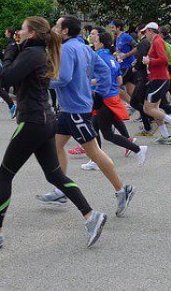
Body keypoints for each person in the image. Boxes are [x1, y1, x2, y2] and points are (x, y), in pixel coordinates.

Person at [0, 16, 106, 250]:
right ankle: (91, 216)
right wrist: (16, 50)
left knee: (4, 175)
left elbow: (6, 79)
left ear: (31, 33)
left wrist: (10, 51)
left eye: (21, 30)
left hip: (33, 122)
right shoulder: (36, 51)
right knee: (54, 176)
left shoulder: (31, 54)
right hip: (45, 121)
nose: (18, 33)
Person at [35, 16, 135, 218]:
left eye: (56, 25)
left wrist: (42, 80)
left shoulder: (69, 49)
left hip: (75, 111)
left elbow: (63, 78)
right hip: (70, 109)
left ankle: (122, 189)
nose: (53, 27)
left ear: (64, 31)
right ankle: (60, 190)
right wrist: (100, 93)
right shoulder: (84, 47)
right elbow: (104, 71)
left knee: (94, 153)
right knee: (57, 146)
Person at [86, 31, 148, 167]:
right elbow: (119, 81)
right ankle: (95, 160)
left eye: (95, 41)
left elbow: (104, 77)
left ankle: (137, 149)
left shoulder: (99, 56)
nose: (93, 44)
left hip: (104, 98)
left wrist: (88, 82)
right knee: (92, 128)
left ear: (101, 44)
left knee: (107, 134)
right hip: (111, 97)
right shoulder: (111, 58)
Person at [139, 22, 171, 144]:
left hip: (159, 79)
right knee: (155, 109)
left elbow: (164, 59)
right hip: (158, 79)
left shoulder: (157, 41)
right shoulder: (156, 41)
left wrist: (149, 60)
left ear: (150, 31)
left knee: (147, 108)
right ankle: (165, 136)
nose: (144, 35)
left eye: (145, 32)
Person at [111, 20, 137, 97]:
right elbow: (119, 50)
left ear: (118, 27)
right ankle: (138, 105)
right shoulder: (117, 37)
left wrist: (126, 55)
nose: (111, 29)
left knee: (115, 85)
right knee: (130, 90)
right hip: (121, 65)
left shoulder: (125, 36)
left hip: (127, 66)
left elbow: (137, 47)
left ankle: (130, 104)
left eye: (112, 27)